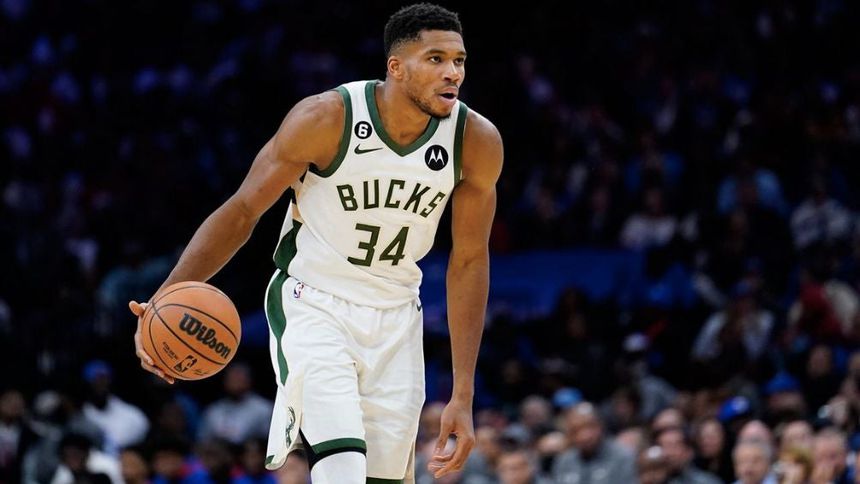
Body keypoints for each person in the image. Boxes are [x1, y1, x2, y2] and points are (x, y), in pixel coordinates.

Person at [129, 3, 503, 483]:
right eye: (436, 59)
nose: (453, 72)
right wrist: (164, 299)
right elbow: (242, 212)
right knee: (342, 465)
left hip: (397, 314)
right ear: (396, 67)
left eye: (459, 60)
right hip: (314, 302)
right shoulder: (326, 118)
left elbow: (469, 261)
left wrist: (463, 393)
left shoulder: (475, 141)